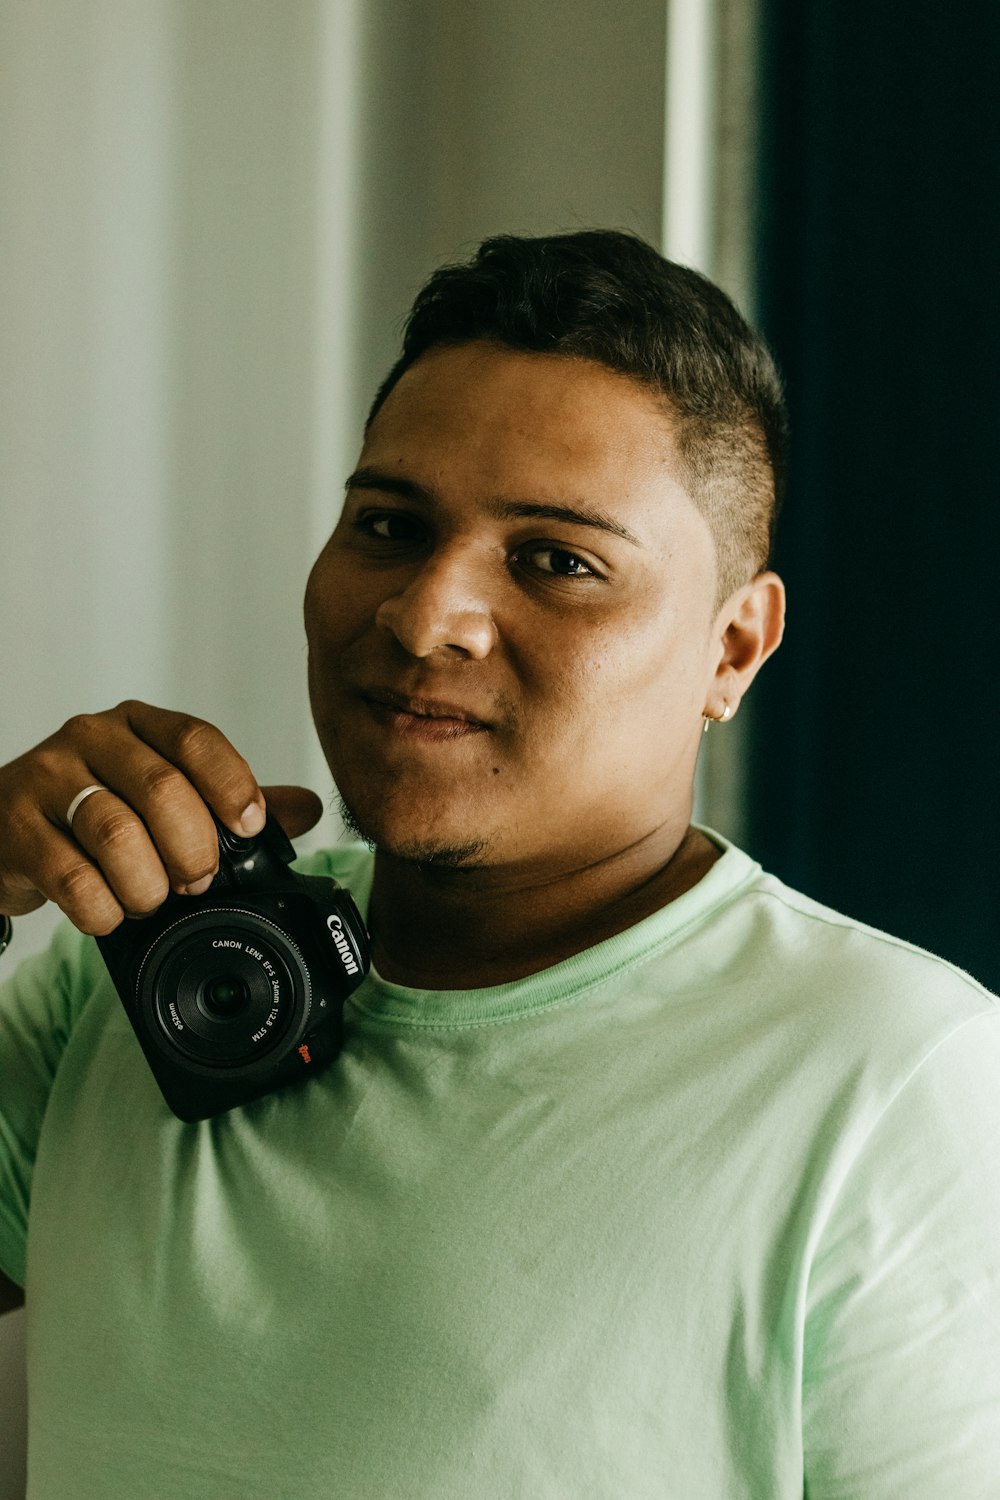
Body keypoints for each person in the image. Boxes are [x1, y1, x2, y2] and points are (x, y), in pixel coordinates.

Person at [1, 230, 999, 1498]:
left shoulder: (896, 1080)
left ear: (733, 649)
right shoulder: (152, 976)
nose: (424, 617)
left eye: (557, 560)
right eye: (387, 523)